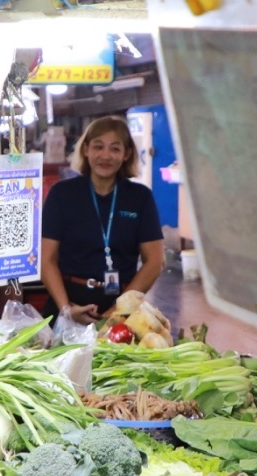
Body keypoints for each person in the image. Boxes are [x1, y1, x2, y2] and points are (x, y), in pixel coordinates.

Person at [41, 116, 165, 322]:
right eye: (98, 147)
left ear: (127, 154)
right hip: (67, 304)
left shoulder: (140, 197)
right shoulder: (61, 194)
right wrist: (67, 310)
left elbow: (155, 262)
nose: (105, 156)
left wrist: (116, 312)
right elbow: (47, 260)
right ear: (86, 149)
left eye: (115, 149)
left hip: (122, 309)